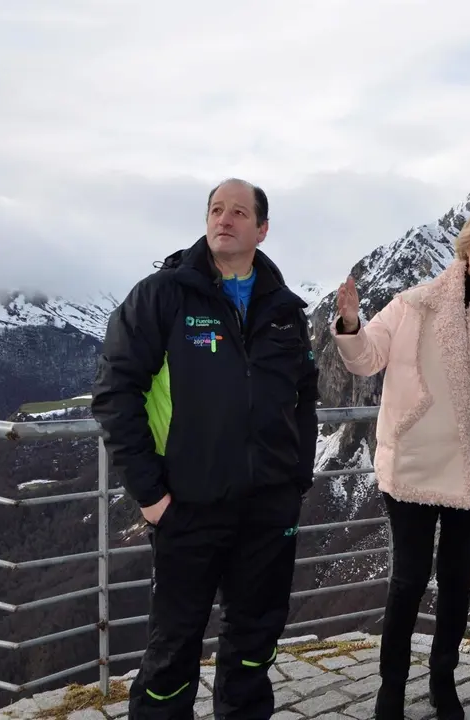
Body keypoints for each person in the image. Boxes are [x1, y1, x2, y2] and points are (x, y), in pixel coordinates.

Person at [91, 178, 319, 720]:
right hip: (186, 504)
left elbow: (305, 398)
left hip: (268, 507)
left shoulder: (285, 308)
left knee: (256, 637)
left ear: (262, 229)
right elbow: (115, 393)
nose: (225, 219)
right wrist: (150, 494)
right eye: (217, 209)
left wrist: (296, 478)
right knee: (174, 645)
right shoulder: (162, 295)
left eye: (239, 212)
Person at [331, 203, 470, 720]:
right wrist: (351, 322)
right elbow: (366, 358)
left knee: (458, 578)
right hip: (415, 463)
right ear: (467, 246)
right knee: (408, 579)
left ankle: (443, 683)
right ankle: (390, 689)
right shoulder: (415, 304)